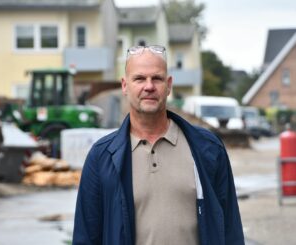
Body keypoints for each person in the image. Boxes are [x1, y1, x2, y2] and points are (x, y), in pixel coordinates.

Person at [72, 45, 244, 245]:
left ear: (169, 85)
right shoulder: (101, 157)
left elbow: (231, 229)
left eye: (157, 78)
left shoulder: (208, 149)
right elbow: (86, 237)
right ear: (125, 85)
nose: (149, 86)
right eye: (139, 79)